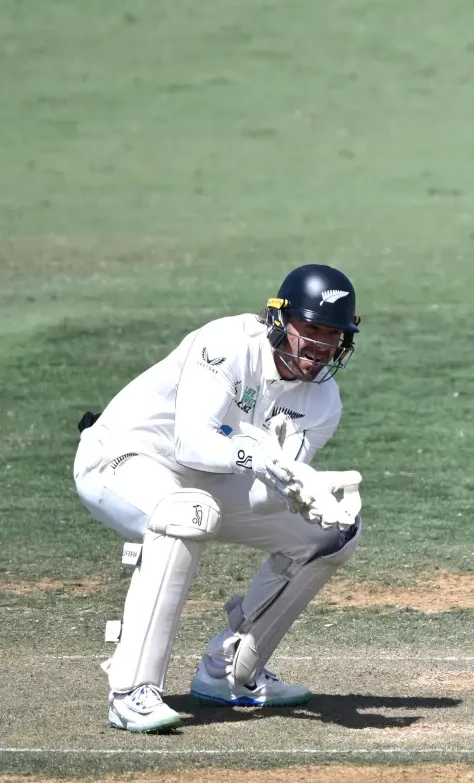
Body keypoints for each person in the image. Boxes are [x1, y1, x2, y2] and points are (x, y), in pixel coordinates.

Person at [74, 264, 367, 732]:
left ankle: (230, 672)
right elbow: (191, 443)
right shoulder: (227, 343)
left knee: (337, 532)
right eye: (311, 329)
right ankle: (131, 692)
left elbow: (265, 497)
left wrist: (303, 493)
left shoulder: (324, 400)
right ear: (280, 320)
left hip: (210, 481)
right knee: (187, 512)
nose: (320, 347)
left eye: (333, 335)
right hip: (122, 459)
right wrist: (256, 455)